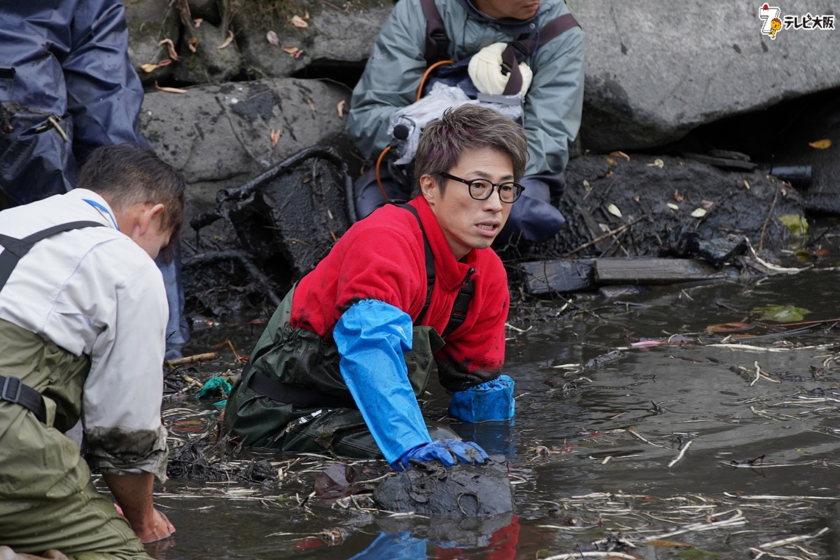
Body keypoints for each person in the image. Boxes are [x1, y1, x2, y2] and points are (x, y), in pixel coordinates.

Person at [225, 105, 522, 469]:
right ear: (429, 186)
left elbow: (477, 387)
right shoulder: (385, 240)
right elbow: (370, 350)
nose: (495, 204)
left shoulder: (486, 272)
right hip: (279, 413)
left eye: (506, 189)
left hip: (356, 413)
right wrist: (414, 448)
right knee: (441, 454)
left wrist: (499, 462)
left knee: (470, 455)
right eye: (478, 186)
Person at [0, 145, 184, 558]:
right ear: (151, 216)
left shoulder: (10, 219)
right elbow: (125, 433)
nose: (153, 258)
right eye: (160, 245)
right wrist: (141, 519)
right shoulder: (128, 265)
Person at [0, 0, 189, 359]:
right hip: (16, 22)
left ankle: (161, 340)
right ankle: (120, 342)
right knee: (40, 151)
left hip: (85, 9)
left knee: (124, 165)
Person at [347, 0, 584, 246]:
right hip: (421, 161)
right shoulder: (423, 9)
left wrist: (480, 177)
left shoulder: (558, 31)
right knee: (377, 220)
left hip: (513, 169)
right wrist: (434, 151)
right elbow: (370, 114)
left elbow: (549, 135)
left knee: (514, 215)